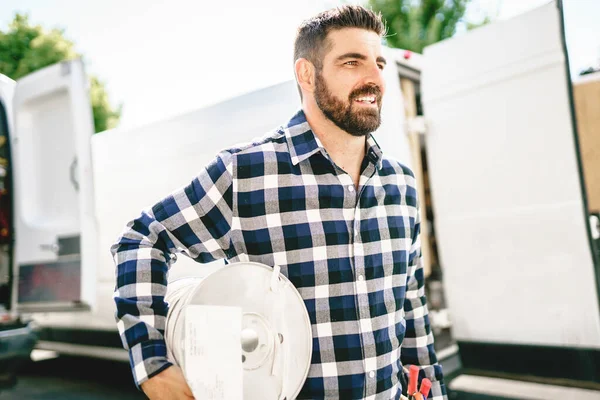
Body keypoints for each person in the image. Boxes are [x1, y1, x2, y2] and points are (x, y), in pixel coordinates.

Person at [111, 5, 447, 400]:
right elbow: (142, 240)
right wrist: (153, 365)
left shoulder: (401, 185)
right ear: (307, 74)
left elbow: (411, 307)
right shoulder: (247, 172)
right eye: (352, 63)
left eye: (378, 63)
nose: (374, 79)